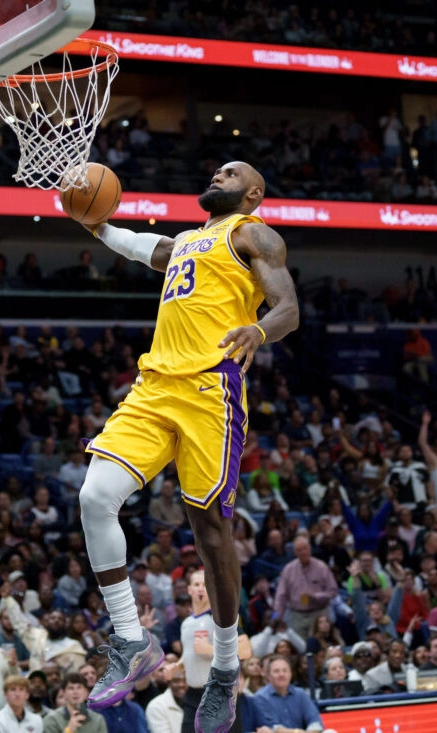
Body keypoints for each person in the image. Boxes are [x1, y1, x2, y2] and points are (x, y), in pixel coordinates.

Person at [74, 161, 299, 733]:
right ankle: (132, 639)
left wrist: (259, 330)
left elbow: (288, 309)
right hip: (154, 388)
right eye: (217, 170)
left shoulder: (253, 235)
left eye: (231, 173)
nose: (217, 174)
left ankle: (224, 668)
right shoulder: (187, 242)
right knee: (94, 496)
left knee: (210, 534)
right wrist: (97, 224)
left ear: (253, 192)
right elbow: (142, 247)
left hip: (209, 392)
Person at [179, 570, 251, 733]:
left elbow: (246, 650)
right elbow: (188, 655)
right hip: (192, 695)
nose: (200, 588)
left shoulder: (224, 618)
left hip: (220, 695)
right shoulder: (186, 623)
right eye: (196, 584)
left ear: (212, 589)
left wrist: (209, 649)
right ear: (189, 590)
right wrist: (176, 667)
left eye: (205, 585)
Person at [251, 656, 322, 733]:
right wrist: (297, 732)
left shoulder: (300, 694)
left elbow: (315, 722)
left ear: (291, 674)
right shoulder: (260, 697)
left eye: (285, 671)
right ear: (268, 676)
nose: (281, 674)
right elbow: (273, 728)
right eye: (276, 671)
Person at [41, 674, 105, 733]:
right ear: (64, 693)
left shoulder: (98, 719)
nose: (75, 692)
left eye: (79, 687)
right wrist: (69, 730)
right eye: (71, 688)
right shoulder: (52, 719)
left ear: (86, 692)